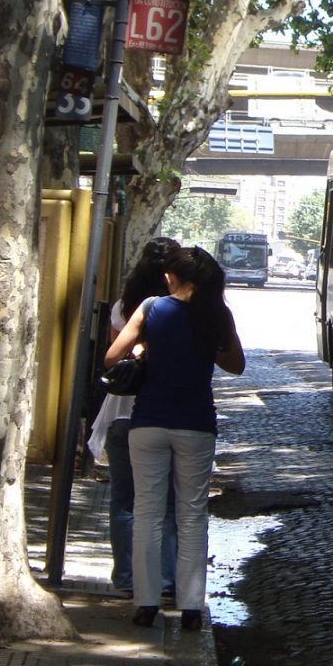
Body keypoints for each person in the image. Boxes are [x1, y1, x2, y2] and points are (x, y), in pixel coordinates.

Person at [106, 245, 245, 630]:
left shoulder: (152, 307)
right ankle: (190, 608)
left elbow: (111, 357)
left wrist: (145, 348)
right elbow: (236, 365)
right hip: (196, 424)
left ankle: (146, 603)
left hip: (148, 420)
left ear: (174, 277)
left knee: (147, 512)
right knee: (191, 515)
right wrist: (204, 349)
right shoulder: (218, 314)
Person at [87, 236, 180, 600]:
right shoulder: (183, 309)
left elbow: (114, 357)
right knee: (167, 503)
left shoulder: (124, 307)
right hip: (167, 414)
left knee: (125, 501)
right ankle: (167, 581)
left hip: (122, 414)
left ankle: (126, 579)